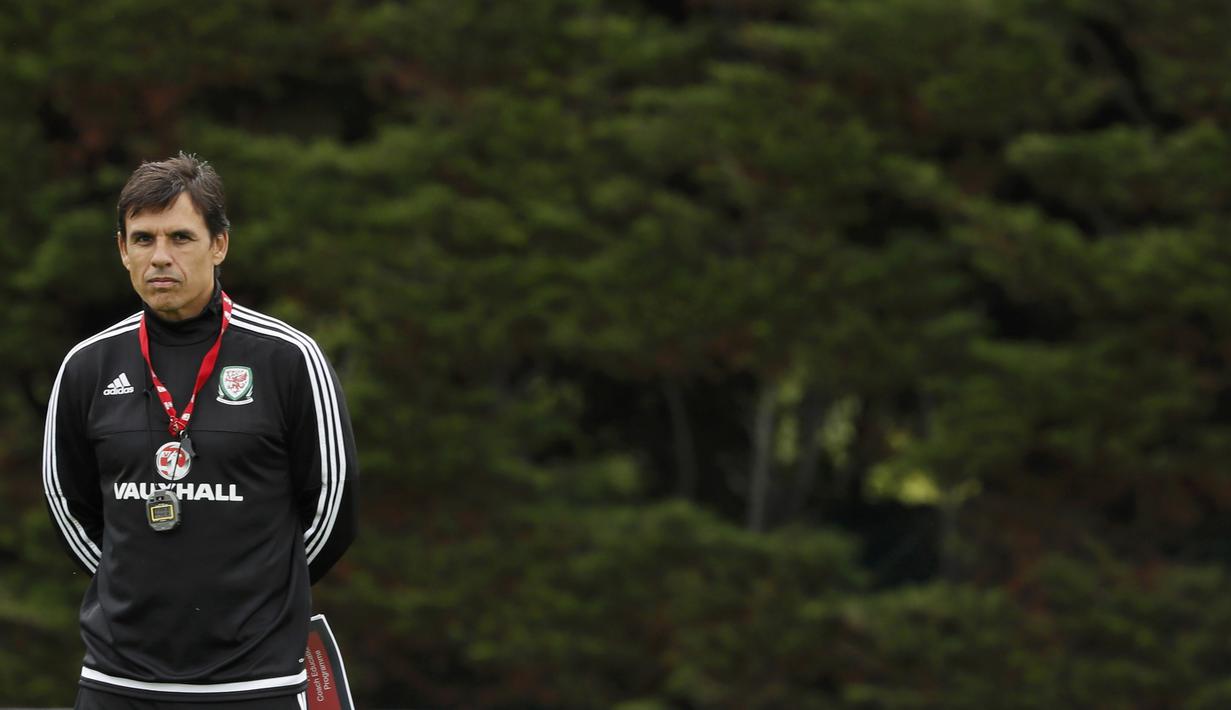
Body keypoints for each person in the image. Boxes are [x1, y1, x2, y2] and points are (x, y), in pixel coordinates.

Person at [42, 153, 359, 709]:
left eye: (180, 237)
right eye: (142, 239)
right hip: (120, 684)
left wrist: (259, 595)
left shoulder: (288, 359)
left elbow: (333, 511)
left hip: (254, 684)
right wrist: (139, 581)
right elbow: (69, 507)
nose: (160, 257)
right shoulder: (87, 366)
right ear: (122, 250)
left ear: (219, 245)